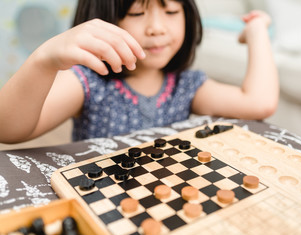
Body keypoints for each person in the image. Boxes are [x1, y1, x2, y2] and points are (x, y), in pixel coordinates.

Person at [0, 0, 278, 143]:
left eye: (170, 11)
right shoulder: (88, 82)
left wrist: (256, 32)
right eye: (136, 13)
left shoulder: (186, 85)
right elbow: (8, 129)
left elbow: (259, 103)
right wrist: (44, 60)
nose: (157, 27)